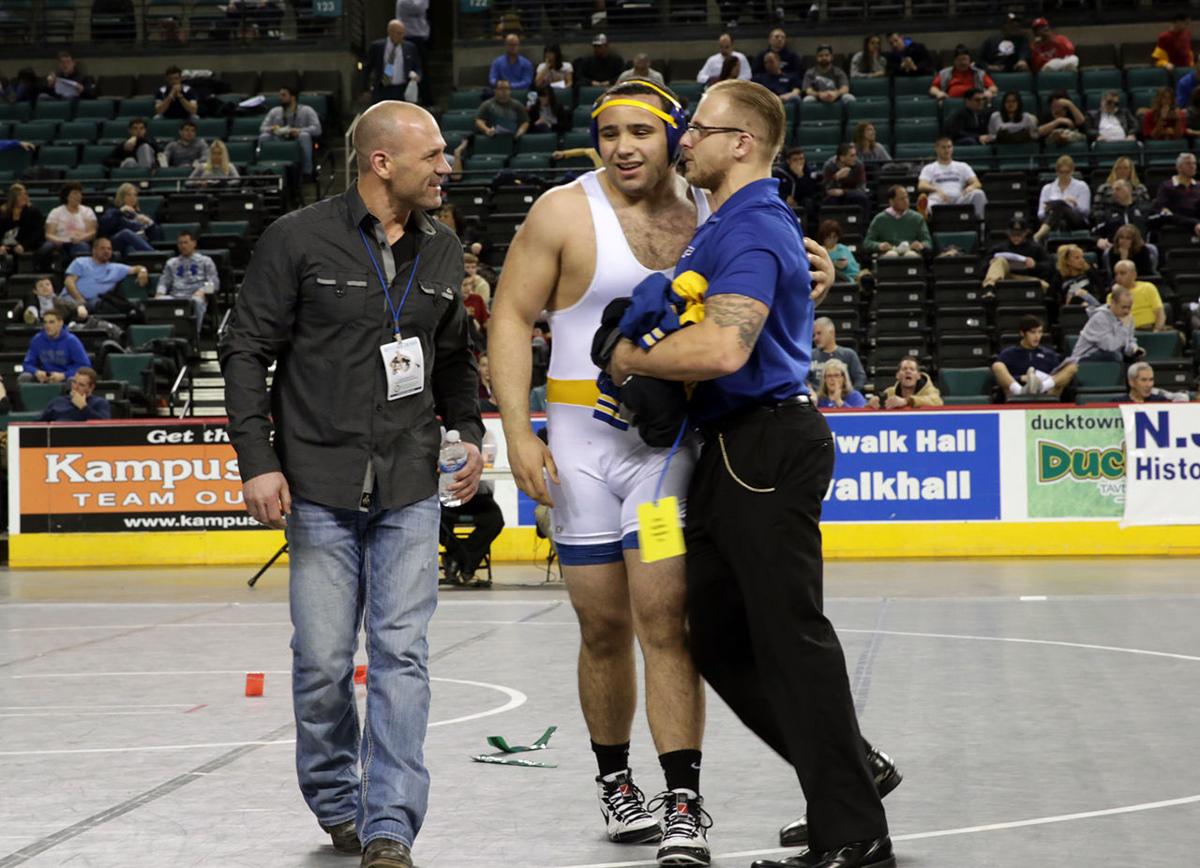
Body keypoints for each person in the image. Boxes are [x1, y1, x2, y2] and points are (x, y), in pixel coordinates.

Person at [605, 78, 897, 868]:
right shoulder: (729, 225)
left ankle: (855, 830)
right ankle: (849, 773)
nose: (683, 140)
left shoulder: (753, 225)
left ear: (742, 144)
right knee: (722, 642)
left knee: (791, 640)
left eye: (698, 129)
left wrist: (630, 356)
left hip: (763, 446)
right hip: (731, 451)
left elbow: (726, 350)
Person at [220, 100, 484, 868]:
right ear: (382, 163)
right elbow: (244, 353)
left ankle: (389, 824)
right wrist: (257, 461)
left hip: (409, 481)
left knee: (402, 654)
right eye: (433, 155)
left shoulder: (444, 249)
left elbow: (455, 357)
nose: (446, 167)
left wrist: (465, 434)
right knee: (325, 661)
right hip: (319, 485)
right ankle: (338, 800)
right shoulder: (296, 239)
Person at [489, 79, 715, 866]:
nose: (623, 146)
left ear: (672, 136)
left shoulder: (710, 211)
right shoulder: (563, 211)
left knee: (663, 619)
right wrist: (516, 434)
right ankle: (617, 780)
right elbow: (511, 317)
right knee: (602, 626)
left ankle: (684, 800)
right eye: (609, 132)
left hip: (663, 452)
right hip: (580, 455)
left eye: (640, 133)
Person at [991, 315, 1076, 398]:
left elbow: (1057, 377)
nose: (1037, 336)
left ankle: (1042, 387)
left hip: (1046, 393)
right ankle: (1021, 392)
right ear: (1022, 333)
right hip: (1017, 393)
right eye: (1033, 332)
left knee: (1072, 367)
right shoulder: (1008, 354)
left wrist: (1040, 383)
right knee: (997, 366)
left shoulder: (1049, 354)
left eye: (1040, 332)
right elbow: (999, 379)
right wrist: (1020, 378)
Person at [439, 480, 504, 587]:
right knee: (436, 518)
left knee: (496, 520)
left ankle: (455, 557)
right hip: (449, 496)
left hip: (481, 497)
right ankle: (468, 563)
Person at [64, 236, 149, 316]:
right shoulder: (80, 262)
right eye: (102, 248)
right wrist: (79, 300)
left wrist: (143, 270)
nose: (106, 251)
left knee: (105, 305)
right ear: (94, 250)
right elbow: (69, 282)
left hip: (96, 303)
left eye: (109, 249)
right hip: (72, 298)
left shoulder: (116, 268)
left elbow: (137, 268)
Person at [157, 230, 217, 334]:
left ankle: (194, 335)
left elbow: (214, 283)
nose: (183, 246)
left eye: (186, 242)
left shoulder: (206, 261)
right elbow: (164, 281)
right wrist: (159, 293)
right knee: (159, 301)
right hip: (176, 295)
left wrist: (203, 291)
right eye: (180, 243)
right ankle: (164, 334)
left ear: (194, 243)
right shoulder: (171, 263)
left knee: (197, 301)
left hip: (195, 295)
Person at [1065, 285, 1142, 365]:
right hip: (1083, 359)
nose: (1126, 311)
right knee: (1115, 356)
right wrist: (1124, 326)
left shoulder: (1128, 317)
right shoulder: (1100, 318)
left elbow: (1129, 340)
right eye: (1123, 307)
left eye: (1129, 308)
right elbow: (1110, 347)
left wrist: (1134, 350)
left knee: (1135, 360)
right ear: (1113, 303)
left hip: (1108, 355)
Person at [258, 86, 323, 177]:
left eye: (283, 95)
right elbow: (262, 128)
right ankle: (264, 169)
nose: (280, 98)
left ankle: (306, 172)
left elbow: (317, 129)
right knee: (264, 136)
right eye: (280, 95)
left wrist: (299, 130)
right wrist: (272, 129)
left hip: (297, 139)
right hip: (279, 139)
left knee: (304, 135)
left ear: (293, 97)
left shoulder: (307, 110)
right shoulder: (275, 111)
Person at [918, 137, 988, 219]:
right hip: (939, 199)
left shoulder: (962, 166)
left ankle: (980, 225)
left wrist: (971, 187)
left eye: (949, 147)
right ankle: (925, 213)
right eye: (943, 147)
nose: (947, 150)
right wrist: (936, 189)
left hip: (959, 199)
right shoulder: (929, 168)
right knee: (929, 203)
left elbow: (977, 183)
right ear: (936, 149)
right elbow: (921, 185)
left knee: (979, 193)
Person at [19, 309, 90, 384]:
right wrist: (36, 372)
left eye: (51, 322)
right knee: (25, 377)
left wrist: (64, 375)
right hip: (43, 378)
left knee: (73, 380)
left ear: (60, 323)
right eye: (45, 322)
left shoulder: (72, 341)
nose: (47, 326)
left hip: (65, 378)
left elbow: (85, 366)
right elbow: (27, 364)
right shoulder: (37, 340)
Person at [863, 185, 931, 259]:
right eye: (901, 199)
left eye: (907, 197)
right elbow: (867, 243)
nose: (906, 201)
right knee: (891, 256)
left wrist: (921, 245)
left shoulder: (917, 218)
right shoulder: (880, 219)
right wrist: (879, 246)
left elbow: (927, 242)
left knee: (911, 256)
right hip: (888, 252)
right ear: (891, 201)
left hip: (911, 251)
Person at [1033, 154, 1090, 241]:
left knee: (1060, 204)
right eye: (1061, 172)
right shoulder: (1047, 188)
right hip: (1054, 221)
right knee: (1059, 207)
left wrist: (1075, 205)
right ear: (1056, 171)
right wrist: (1047, 210)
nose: (1064, 175)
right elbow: (1040, 214)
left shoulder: (1082, 186)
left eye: (1067, 172)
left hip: (1076, 221)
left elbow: (1086, 212)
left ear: (1072, 171)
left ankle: (1039, 234)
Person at [982, 217, 1049, 290]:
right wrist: (991, 264)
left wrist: (1035, 265)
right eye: (1013, 234)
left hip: (1025, 278)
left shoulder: (1036, 248)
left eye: (1019, 234)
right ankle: (989, 288)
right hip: (1003, 278)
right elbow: (982, 267)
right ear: (1008, 233)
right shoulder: (998, 249)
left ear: (1026, 232)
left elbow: (1049, 267)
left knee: (1043, 285)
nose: (1016, 237)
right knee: (999, 260)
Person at [365, 19, 422, 104]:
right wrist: (365, 89)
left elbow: (417, 66)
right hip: (383, 89)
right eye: (398, 33)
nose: (401, 36)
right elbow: (367, 68)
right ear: (390, 32)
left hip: (402, 89)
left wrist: (418, 75)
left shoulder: (410, 47)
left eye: (403, 33)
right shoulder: (377, 47)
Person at [42, 181, 96, 270]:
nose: (78, 196)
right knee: (45, 248)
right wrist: (56, 239)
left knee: (82, 248)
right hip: (59, 241)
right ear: (67, 196)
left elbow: (92, 232)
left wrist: (81, 238)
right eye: (75, 193)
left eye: (79, 193)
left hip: (79, 241)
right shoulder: (56, 212)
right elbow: (49, 234)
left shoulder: (87, 211)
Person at [98, 183, 159, 256]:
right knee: (126, 233)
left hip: (136, 243)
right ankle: (154, 255)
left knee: (131, 248)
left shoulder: (139, 214)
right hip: (117, 242)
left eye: (135, 195)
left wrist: (150, 223)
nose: (132, 198)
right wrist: (119, 212)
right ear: (121, 197)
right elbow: (105, 228)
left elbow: (155, 237)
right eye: (129, 195)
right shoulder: (113, 211)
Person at [1107, 259, 1168, 331]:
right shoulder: (1111, 296)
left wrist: (1157, 331)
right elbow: (1113, 321)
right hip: (1126, 333)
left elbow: (1160, 313)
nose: (1118, 277)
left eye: (1122, 273)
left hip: (1150, 329)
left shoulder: (1147, 287)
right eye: (1116, 274)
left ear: (1134, 275)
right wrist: (1117, 294)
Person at [810, 316, 867, 392]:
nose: (815, 338)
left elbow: (860, 378)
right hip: (818, 401)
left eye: (819, 333)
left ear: (831, 332)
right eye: (814, 335)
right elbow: (804, 380)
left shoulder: (849, 354)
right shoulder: (810, 356)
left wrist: (851, 395)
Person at [1152, 152, 1200, 238]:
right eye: (1188, 163)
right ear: (1179, 168)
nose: (1192, 166)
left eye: (1194, 163)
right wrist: (1194, 223)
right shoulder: (1166, 186)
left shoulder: (1198, 186)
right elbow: (1165, 212)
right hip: (1176, 228)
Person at [38, 366, 111, 421]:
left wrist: (83, 407)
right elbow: (39, 425)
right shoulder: (58, 401)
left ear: (91, 387)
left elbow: (104, 426)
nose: (75, 387)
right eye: (74, 382)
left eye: (81, 385)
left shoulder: (99, 403)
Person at [929, 45, 997, 102]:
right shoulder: (944, 73)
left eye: (965, 59)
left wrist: (988, 92)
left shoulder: (979, 73)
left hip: (974, 103)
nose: (963, 63)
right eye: (959, 60)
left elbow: (993, 88)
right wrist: (938, 93)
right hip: (951, 102)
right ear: (954, 61)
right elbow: (933, 88)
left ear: (970, 60)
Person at [0, 183, 45, 267]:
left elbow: (37, 233)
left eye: (25, 194)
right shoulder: (3, 212)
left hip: (26, 245)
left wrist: (24, 246)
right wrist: (1, 246)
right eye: (20, 195)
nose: (24, 197)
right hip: (6, 245)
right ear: (13, 198)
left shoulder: (34, 212)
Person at [876, 357, 943, 409]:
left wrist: (907, 401)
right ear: (897, 375)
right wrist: (873, 402)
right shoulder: (890, 392)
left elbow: (938, 402)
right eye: (904, 369)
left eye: (912, 369)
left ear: (918, 376)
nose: (908, 371)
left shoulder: (929, 390)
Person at [822, 142, 870, 213]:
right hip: (836, 196)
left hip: (853, 194)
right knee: (831, 200)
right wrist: (836, 177)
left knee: (862, 198)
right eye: (852, 156)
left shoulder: (859, 165)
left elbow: (862, 189)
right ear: (842, 158)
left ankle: (864, 223)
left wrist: (844, 192)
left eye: (855, 155)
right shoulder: (829, 166)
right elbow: (827, 190)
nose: (855, 158)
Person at [819, 219, 861, 284]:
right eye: (829, 237)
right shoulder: (820, 250)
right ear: (823, 237)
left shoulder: (844, 249)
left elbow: (856, 271)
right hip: (828, 283)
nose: (832, 240)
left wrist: (847, 265)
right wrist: (834, 265)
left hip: (848, 281)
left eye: (834, 237)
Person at [1124, 361, 1189, 402]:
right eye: (1144, 380)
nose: (1149, 385)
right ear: (1131, 382)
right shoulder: (1118, 403)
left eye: (1151, 380)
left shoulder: (1160, 401)